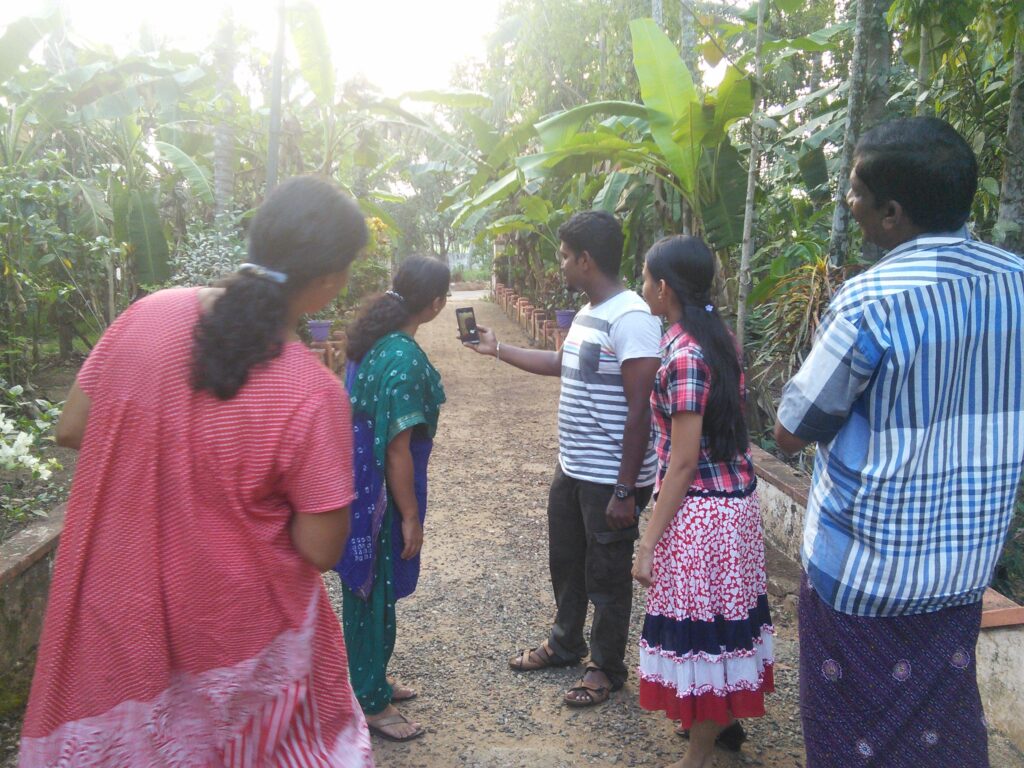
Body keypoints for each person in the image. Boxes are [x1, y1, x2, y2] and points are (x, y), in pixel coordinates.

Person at [20, 176, 373, 767]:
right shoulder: (311, 392)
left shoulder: (146, 314)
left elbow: (72, 427)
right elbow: (320, 548)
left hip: (117, 608)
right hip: (238, 640)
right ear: (330, 281)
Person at [774, 116, 1024, 767]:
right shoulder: (1017, 282)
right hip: (962, 571)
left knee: (850, 734)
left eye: (855, 191)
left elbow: (791, 428)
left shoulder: (869, 302)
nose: (847, 203)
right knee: (940, 724)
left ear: (891, 212)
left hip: (862, 576)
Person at [466, 210, 661, 706]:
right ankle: (565, 643)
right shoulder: (588, 313)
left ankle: (605, 666)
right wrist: (497, 349)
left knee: (608, 572)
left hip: (608, 478)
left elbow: (641, 410)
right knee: (568, 562)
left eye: (565, 257)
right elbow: (558, 364)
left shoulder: (632, 318)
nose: (561, 266)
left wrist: (624, 490)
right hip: (573, 465)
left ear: (586, 260)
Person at [632, 235, 774, 768]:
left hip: (703, 516)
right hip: (730, 507)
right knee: (722, 623)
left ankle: (698, 756)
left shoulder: (686, 355)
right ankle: (720, 726)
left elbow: (684, 461)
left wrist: (648, 543)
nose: (641, 286)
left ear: (663, 287)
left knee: (702, 633)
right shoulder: (715, 340)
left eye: (645, 277)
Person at [335, 255, 449, 742]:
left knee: (370, 591)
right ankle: (370, 703)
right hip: (379, 495)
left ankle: (371, 680)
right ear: (438, 304)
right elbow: (398, 448)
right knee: (371, 591)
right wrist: (409, 516)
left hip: (358, 488)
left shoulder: (375, 340)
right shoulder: (401, 355)